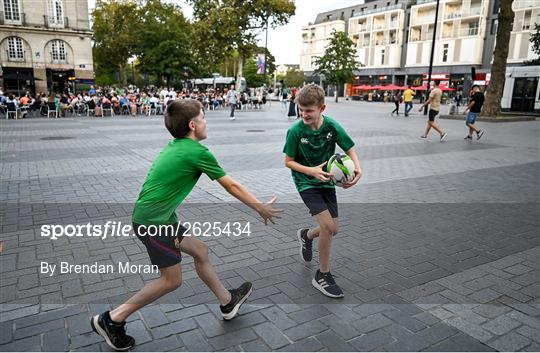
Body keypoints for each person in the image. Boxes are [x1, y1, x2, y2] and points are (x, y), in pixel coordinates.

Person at [91, 100, 281, 351]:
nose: (206, 122)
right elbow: (231, 185)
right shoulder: (197, 152)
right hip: (154, 223)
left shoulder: (178, 146)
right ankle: (113, 319)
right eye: (203, 117)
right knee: (171, 281)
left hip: (159, 218)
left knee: (200, 250)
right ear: (193, 125)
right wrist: (260, 207)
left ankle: (227, 301)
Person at [283, 84, 362, 298]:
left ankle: (306, 235)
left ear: (322, 108)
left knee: (333, 228)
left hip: (327, 181)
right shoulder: (296, 131)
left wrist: (357, 168)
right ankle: (322, 275)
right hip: (306, 182)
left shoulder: (332, 127)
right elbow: (288, 162)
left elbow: (349, 148)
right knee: (327, 227)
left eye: (309, 110)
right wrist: (311, 171)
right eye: (301, 109)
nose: (304, 114)